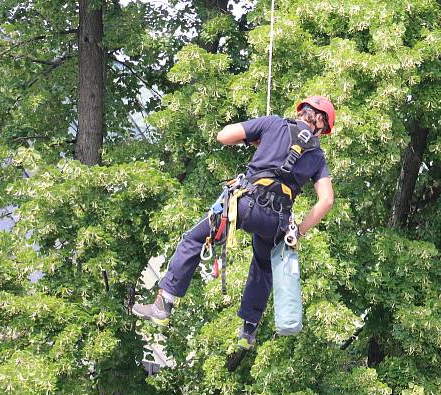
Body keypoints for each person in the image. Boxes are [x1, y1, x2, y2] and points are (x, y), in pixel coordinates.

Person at [132, 96, 336, 349]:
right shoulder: (317, 155)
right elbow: (326, 200)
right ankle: (248, 329)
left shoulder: (273, 124)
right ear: (320, 126)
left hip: (244, 204)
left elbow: (224, 135)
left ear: (302, 112)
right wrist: (299, 231)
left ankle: (165, 303)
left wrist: (256, 139)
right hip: (276, 221)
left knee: (195, 239)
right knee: (263, 265)